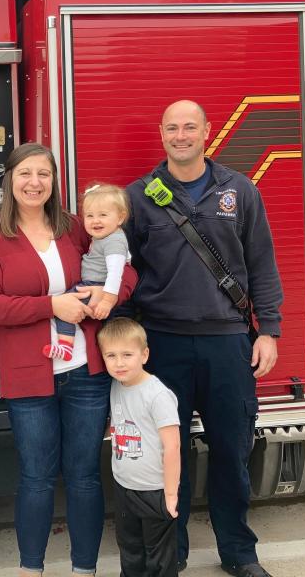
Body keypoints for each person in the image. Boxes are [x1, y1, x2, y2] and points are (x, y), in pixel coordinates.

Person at [124, 100, 283, 577]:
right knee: (167, 455)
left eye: (189, 126)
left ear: (208, 132)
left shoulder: (240, 190)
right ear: (161, 133)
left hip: (228, 342)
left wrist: (269, 330)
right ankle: (172, 553)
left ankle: (239, 551)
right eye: (171, 127)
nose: (180, 135)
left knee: (232, 451)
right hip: (163, 344)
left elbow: (261, 264)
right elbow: (124, 274)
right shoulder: (138, 196)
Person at [0, 142, 138, 577]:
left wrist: (109, 293)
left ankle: (85, 569)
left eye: (43, 174)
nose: (34, 182)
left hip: (85, 372)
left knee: (84, 476)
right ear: (9, 178)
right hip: (28, 376)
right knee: (36, 477)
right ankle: (32, 568)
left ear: (53, 181)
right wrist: (52, 305)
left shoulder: (75, 227)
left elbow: (125, 265)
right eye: (25, 173)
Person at [100, 318, 180, 577]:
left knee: (159, 559)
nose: (119, 363)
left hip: (155, 491)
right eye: (111, 355)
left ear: (144, 354)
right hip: (125, 488)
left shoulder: (157, 395)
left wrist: (170, 495)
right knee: (130, 550)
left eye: (127, 354)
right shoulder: (116, 386)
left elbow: (172, 447)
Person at [47, 183, 130, 361]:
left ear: (120, 217)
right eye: (89, 215)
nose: (95, 221)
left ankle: (65, 347)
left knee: (65, 308)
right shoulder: (108, 237)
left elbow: (116, 274)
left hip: (94, 286)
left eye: (103, 215)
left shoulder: (113, 241)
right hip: (91, 284)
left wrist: (107, 300)